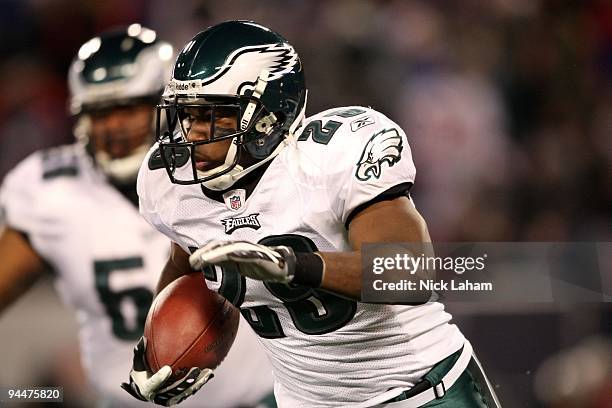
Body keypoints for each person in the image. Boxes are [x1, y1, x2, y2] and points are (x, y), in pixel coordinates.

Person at [125, 20, 502, 407]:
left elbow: (410, 273)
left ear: (269, 114)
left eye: (213, 114)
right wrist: (161, 350)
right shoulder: (172, 187)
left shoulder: (332, 156)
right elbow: (185, 265)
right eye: (186, 114)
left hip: (421, 391)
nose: (193, 134)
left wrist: (293, 266)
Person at [0, 25, 274, 408]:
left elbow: (386, 274)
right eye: (99, 112)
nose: (113, 127)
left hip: (252, 397)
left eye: (128, 108)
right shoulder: (47, 191)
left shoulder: (228, 166)